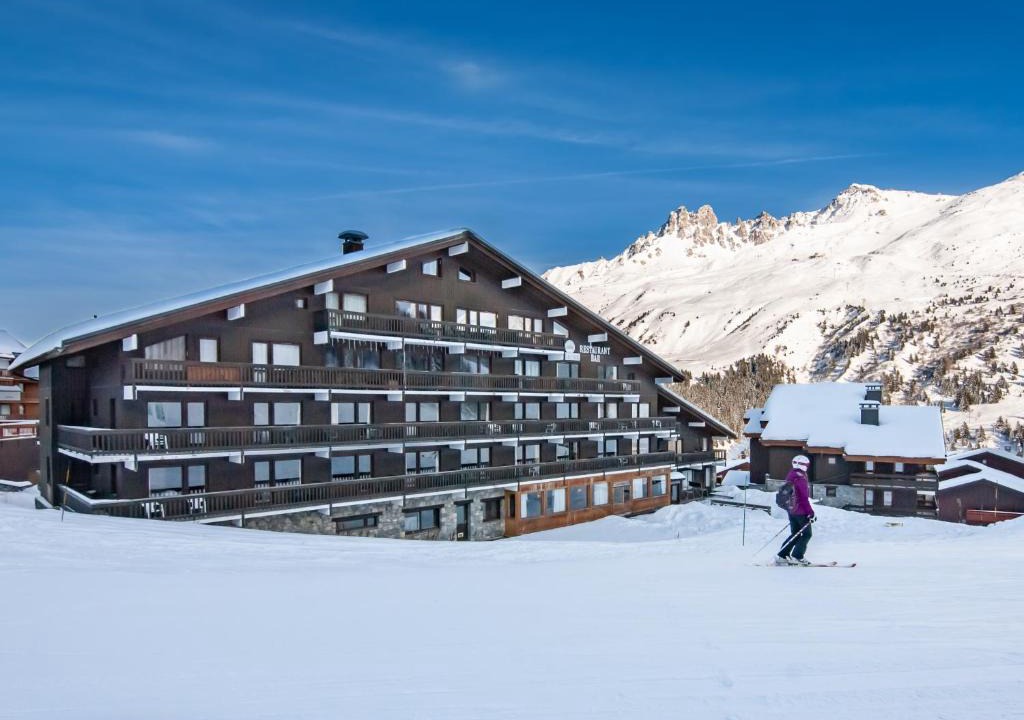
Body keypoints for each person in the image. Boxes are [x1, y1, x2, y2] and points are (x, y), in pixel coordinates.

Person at [776, 455, 815, 565]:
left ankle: (782, 555)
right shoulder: (801, 478)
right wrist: (810, 512)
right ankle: (798, 556)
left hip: (791, 510)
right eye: (807, 465)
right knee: (807, 534)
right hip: (800, 511)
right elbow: (804, 498)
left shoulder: (791, 474)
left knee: (795, 533)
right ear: (804, 465)